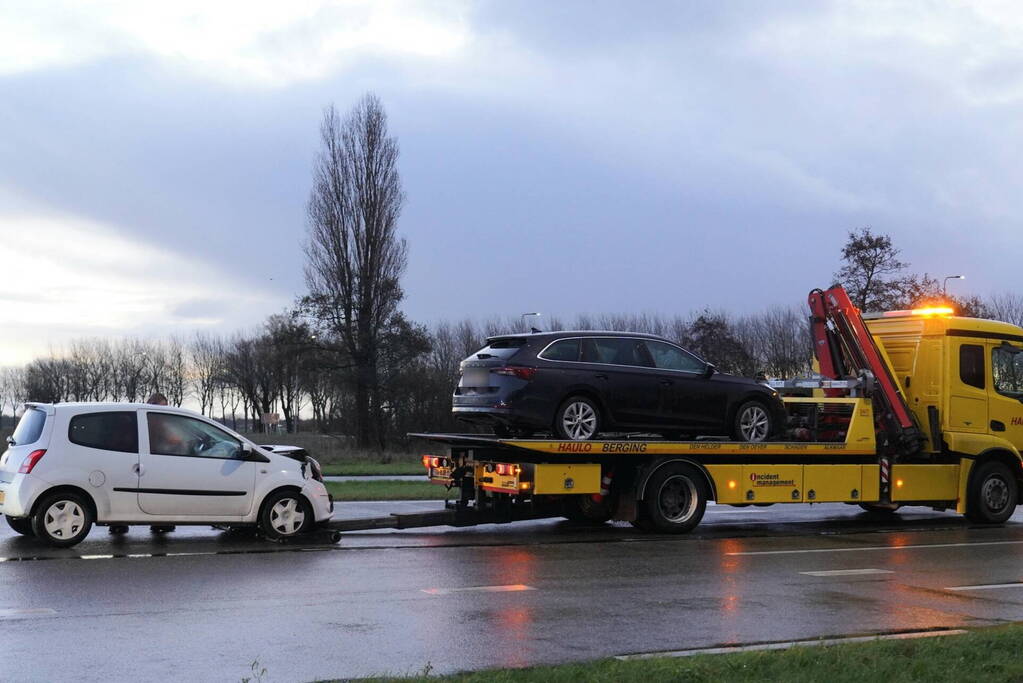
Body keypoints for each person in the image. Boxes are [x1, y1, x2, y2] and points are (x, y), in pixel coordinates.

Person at [108, 392, 177, 537]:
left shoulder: (151, 422)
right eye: (160, 407)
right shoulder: (150, 422)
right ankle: (156, 523)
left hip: (145, 462)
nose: (162, 410)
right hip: (136, 461)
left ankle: (120, 523)